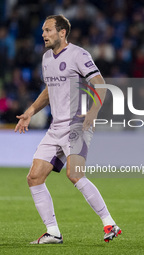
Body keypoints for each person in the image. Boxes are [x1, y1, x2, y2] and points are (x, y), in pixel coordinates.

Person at [14, 15, 121, 244]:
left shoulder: (78, 55)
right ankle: (52, 232)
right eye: (43, 30)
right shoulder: (46, 58)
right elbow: (49, 89)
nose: (43, 34)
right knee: (34, 177)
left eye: (48, 30)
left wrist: (92, 113)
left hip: (77, 123)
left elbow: (100, 85)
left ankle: (109, 223)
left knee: (74, 174)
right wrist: (31, 111)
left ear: (62, 32)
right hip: (55, 127)